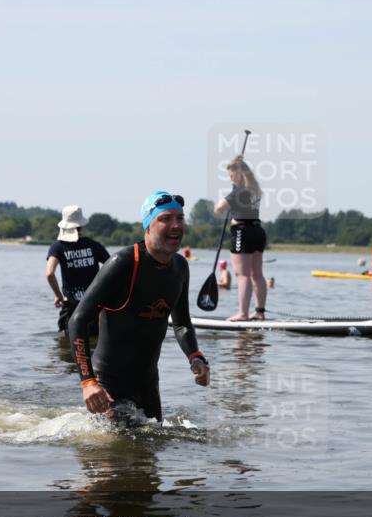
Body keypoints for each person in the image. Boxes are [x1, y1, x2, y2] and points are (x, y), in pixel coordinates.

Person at [68, 191, 209, 421]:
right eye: (165, 219)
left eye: (180, 218)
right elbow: (78, 319)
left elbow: (181, 323)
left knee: (150, 451)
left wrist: (195, 356)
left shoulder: (180, 267)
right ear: (148, 225)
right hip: (109, 386)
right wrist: (88, 382)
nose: (176, 225)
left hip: (148, 385)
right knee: (112, 455)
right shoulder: (123, 263)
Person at [214, 155, 266, 321]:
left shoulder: (237, 192)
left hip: (242, 232)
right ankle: (259, 312)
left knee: (242, 274)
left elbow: (219, 209)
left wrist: (231, 192)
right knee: (257, 274)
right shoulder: (255, 190)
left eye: (231, 175)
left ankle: (243, 313)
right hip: (258, 231)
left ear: (239, 174)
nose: (230, 179)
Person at [45, 206, 110, 334]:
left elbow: (49, 273)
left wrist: (59, 296)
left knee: (68, 348)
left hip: (71, 307)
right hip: (94, 305)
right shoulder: (94, 245)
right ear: (81, 226)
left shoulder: (58, 247)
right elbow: (112, 266)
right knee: (95, 345)